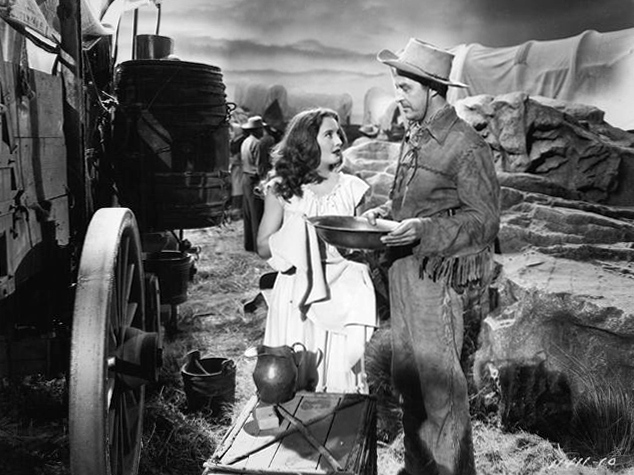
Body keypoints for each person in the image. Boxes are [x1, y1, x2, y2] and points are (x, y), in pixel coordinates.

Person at [362, 38, 500, 475]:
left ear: (433, 90)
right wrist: (384, 214)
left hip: (436, 285)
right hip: (403, 277)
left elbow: (485, 222)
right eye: (397, 87)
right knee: (409, 385)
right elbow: (412, 204)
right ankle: (418, 468)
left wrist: (424, 230)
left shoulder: (466, 146)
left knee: (441, 394)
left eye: (405, 88)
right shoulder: (416, 134)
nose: (398, 97)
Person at [257, 107, 377, 394]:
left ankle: (341, 420)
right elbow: (263, 245)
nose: (339, 141)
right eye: (329, 135)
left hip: (341, 293)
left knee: (337, 381)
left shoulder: (353, 188)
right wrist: (295, 234)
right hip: (296, 294)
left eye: (339, 134)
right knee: (292, 379)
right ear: (307, 142)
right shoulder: (283, 188)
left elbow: (360, 242)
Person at [240, 115, 265, 252]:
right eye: (261, 129)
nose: (262, 131)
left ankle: (249, 244)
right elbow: (260, 166)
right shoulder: (257, 143)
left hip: (245, 177)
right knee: (257, 213)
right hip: (254, 179)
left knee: (248, 212)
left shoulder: (245, 142)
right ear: (257, 130)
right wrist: (263, 183)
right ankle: (258, 246)